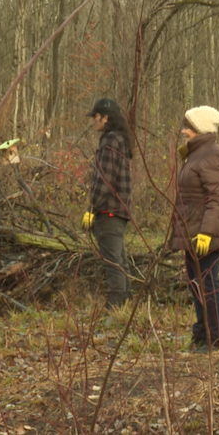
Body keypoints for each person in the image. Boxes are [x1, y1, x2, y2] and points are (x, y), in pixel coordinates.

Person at [167, 106, 219, 353]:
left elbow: (216, 199)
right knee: (196, 285)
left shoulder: (211, 154)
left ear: (201, 129)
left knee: (208, 286)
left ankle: (216, 340)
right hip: (192, 233)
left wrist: (207, 233)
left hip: (204, 235)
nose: (184, 131)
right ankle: (202, 335)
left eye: (189, 127)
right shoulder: (195, 154)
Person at [82, 98, 133, 308]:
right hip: (118, 211)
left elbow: (104, 179)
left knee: (113, 264)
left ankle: (115, 306)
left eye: (96, 117)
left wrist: (92, 208)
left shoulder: (110, 140)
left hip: (109, 212)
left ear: (106, 118)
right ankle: (127, 304)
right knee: (120, 261)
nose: (94, 121)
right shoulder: (120, 140)